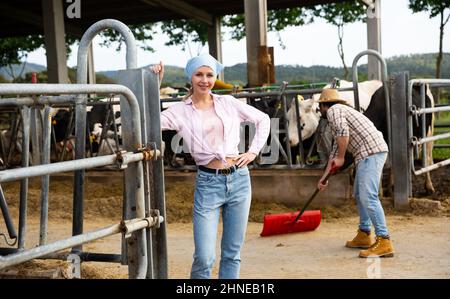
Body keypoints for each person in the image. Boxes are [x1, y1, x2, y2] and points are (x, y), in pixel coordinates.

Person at [151, 54, 270, 278]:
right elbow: (150, 120)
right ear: (190, 77)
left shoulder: (228, 103)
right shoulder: (179, 110)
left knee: (232, 253)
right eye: (199, 74)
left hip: (240, 180)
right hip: (208, 183)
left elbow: (262, 119)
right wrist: (155, 84)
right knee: (205, 257)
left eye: (209, 75)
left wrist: (253, 151)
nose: (204, 80)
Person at [316, 88, 394, 258]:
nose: (320, 111)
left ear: (323, 105)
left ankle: (384, 240)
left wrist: (342, 158)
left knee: (368, 196)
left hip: (371, 152)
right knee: (360, 194)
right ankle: (364, 234)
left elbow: (344, 135)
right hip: (368, 153)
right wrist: (324, 179)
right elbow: (335, 152)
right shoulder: (339, 113)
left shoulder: (333, 111)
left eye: (319, 107)